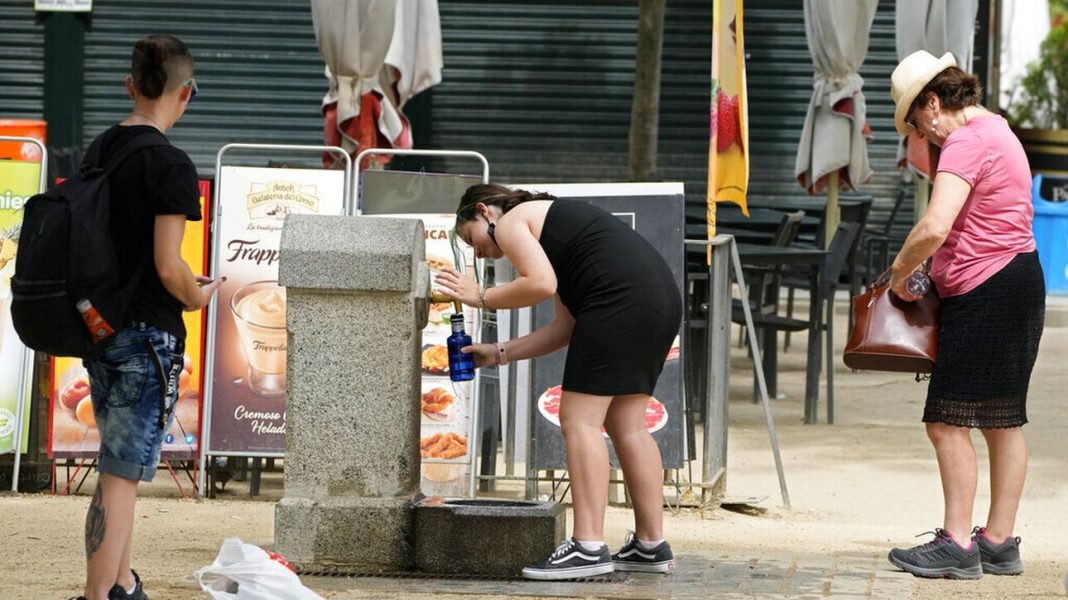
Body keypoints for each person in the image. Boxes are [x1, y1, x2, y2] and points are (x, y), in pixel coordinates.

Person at [435, 184, 682, 580]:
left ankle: (587, 546)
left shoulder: (515, 219)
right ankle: (651, 545)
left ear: (485, 212)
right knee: (627, 424)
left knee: (579, 420)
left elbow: (540, 285)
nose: (477, 252)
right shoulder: (555, 232)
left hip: (619, 301)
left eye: (471, 238)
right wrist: (498, 352)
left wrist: (480, 295)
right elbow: (564, 328)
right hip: (659, 299)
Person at [885, 50, 1045, 580]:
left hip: (986, 288)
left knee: (946, 421)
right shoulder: (997, 128)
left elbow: (934, 226)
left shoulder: (965, 140)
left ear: (932, 104)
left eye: (914, 123)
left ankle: (956, 544)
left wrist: (899, 273)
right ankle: (999, 543)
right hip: (1020, 279)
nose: (920, 135)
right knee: (1003, 419)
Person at [71, 35, 221, 600]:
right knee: (122, 475)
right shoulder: (171, 164)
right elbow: (168, 265)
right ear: (187, 92)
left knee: (117, 468)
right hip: (147, 337)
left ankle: (122, 583)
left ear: (130, 86)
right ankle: (97, 594)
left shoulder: (99, 150)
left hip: (98, 329)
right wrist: (197, 295)